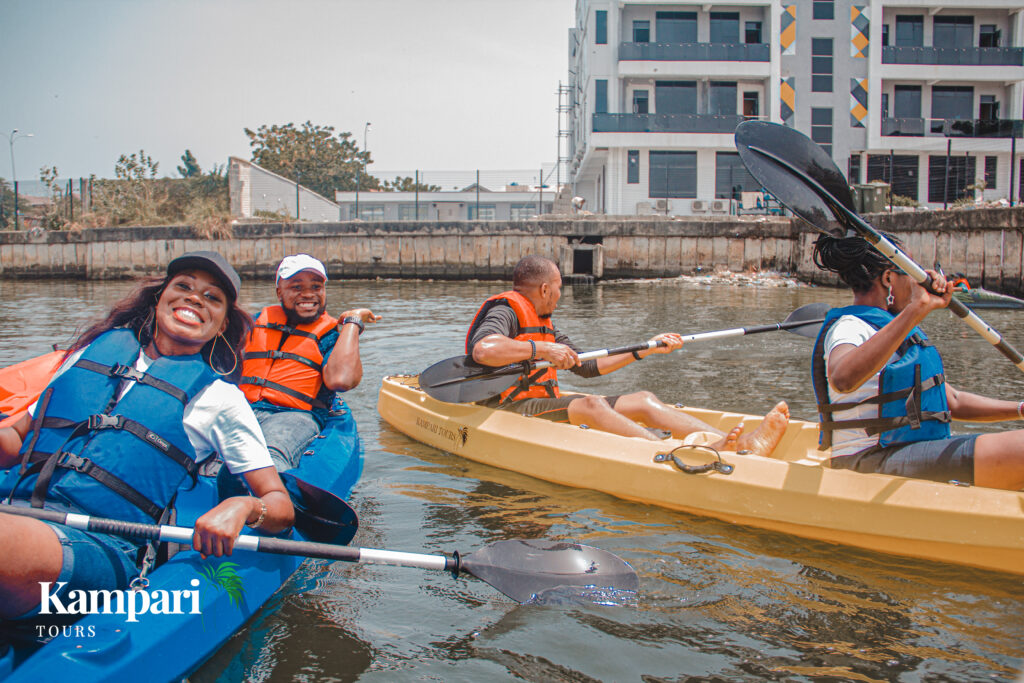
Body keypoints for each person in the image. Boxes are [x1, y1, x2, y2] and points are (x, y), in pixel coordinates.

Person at [0, 251, 294, 619]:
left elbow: (279, 506)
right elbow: (15, 443)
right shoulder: (91, 354)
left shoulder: (220, 398)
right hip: (13, 507)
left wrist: (243, 506)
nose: (194, 298)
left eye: (212, 297)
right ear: (159, 299)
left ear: (220, 325)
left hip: (101, 547)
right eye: (183, 286)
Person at [466, 255, 789, 455]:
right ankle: (684, 453)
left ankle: (742, 444)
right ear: (546, 289)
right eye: (559, 287)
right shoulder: (505, 310)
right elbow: (483, 350)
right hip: (507, 408)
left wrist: (646, 348)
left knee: (643, 399)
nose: (561, 295)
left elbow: (589, 366)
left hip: (539, 402)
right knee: (590, 404)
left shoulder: (545, 324)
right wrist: (543, 349)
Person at [811, 235, 1024, 490]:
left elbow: (952, 401)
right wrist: (916, 309)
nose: (918, 281)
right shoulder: (850, 327)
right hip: (869, 461)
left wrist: (1020, 409)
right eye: (912, 272)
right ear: (889, 279)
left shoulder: (896, 330)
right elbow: (842, 378)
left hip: (913, 451)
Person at [239, 254, 380, 471]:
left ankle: (271, 499)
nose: (307, 294)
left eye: (316, 286)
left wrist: (353, 321)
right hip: (242, 409)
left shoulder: (330, 336)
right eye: (296, 287)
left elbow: (341, 380)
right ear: (279, 292)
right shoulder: (254, 322)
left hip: (293, 417)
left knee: (267, 456)